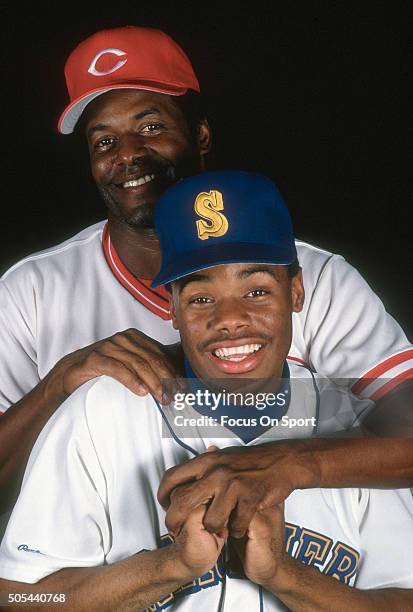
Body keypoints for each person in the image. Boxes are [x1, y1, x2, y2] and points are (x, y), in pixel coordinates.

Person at [0, 26, 412, 524]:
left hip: (295, 568)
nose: (127, 153)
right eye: (104, 140)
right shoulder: (32, 292)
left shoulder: (315, 279)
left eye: (150, 127)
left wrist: (286, 461)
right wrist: (58, 386)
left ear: (200, 134)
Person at [0, 172, 411, 611]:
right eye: (200, 298)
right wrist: (170, 567)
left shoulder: (350, 428)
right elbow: (22, 597)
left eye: (256, 291)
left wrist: (286, 576)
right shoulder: (101, 413)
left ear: (295, 292)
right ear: (172, 308)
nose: (230, 319)